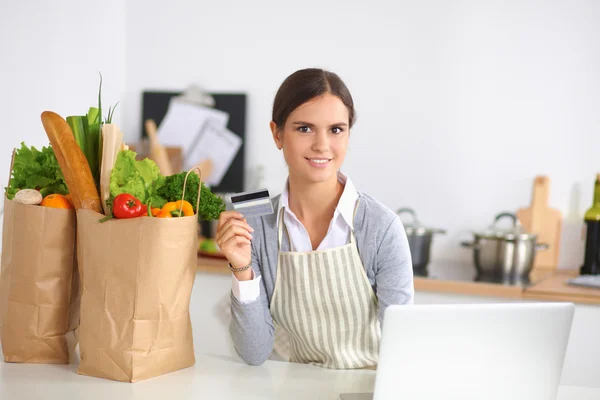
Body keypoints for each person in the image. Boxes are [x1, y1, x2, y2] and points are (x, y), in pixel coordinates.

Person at [215, 68, 414, 370]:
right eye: (305, 128)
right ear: (277, 134)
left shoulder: (380, 227)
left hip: (369, 388)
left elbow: (403, 349)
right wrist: (241, 268)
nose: (322, 145)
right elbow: (254, 352)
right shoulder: (257, 224)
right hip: (298, 385)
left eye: (336, 129)